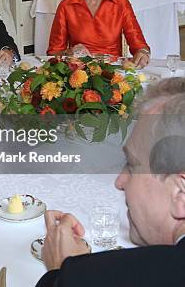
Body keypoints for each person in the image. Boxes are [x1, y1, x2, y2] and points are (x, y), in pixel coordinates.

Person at [36, 77, 185, 287]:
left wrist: (63, 272)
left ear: (180, 191)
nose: (119, 182)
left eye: (132, 165)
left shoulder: (95, 277)